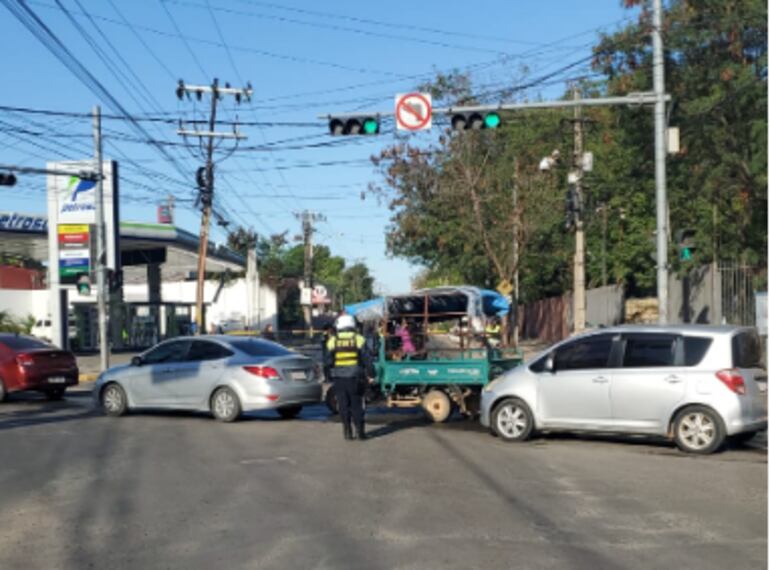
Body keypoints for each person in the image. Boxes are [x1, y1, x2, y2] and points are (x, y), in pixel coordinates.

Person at [326, 314, 369, 441]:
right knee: (356, 404)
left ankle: (347, 432)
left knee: (343, 405)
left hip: (339, 378)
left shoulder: (332, 340)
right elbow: (367, 359)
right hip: (355, 377)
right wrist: (372, 373)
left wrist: (329, 375)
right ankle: (360, 432)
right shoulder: (359, 339)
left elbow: (327, 361)